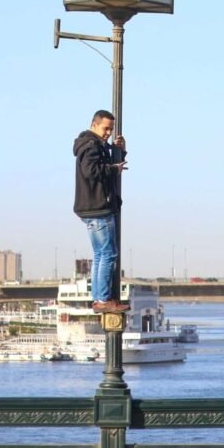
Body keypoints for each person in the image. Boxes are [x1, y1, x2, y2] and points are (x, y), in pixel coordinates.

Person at [73, 110, 129, 313]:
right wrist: (114, 169)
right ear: (94, 125)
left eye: (110, 130)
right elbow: (92, 171)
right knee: (108, 254)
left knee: (100, 254)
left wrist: (118, 151)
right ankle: (103, 299)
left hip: (92, 207)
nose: (108, 133)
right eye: (105, 129)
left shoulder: (93, 145)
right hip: (98, 207)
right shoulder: (91, 145)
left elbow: (103, 164)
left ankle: (99, 298)